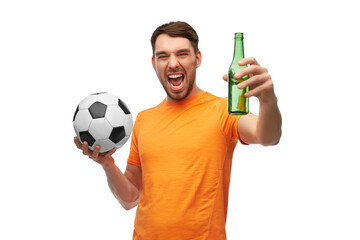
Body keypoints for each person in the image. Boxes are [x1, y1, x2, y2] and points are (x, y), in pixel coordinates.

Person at [74, 21, 282, 240]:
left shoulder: (223, 110)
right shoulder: (144, 120)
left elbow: (268, 136)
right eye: (163, 56)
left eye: (182, 54)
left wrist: (268, 100)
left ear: (197, 59)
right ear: (154, 63)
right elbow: (130, 199)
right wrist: (107, 164)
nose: (173, 63)